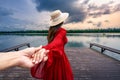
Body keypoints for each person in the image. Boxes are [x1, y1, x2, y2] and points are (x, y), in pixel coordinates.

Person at [31, 10, 73, 80]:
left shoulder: (51, 30)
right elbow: (57, 42)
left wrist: (46, 48)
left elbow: (55, 43)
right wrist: (44, 48)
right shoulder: (62, 31)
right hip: (59, 58)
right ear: (62, 21)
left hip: (51, 57)